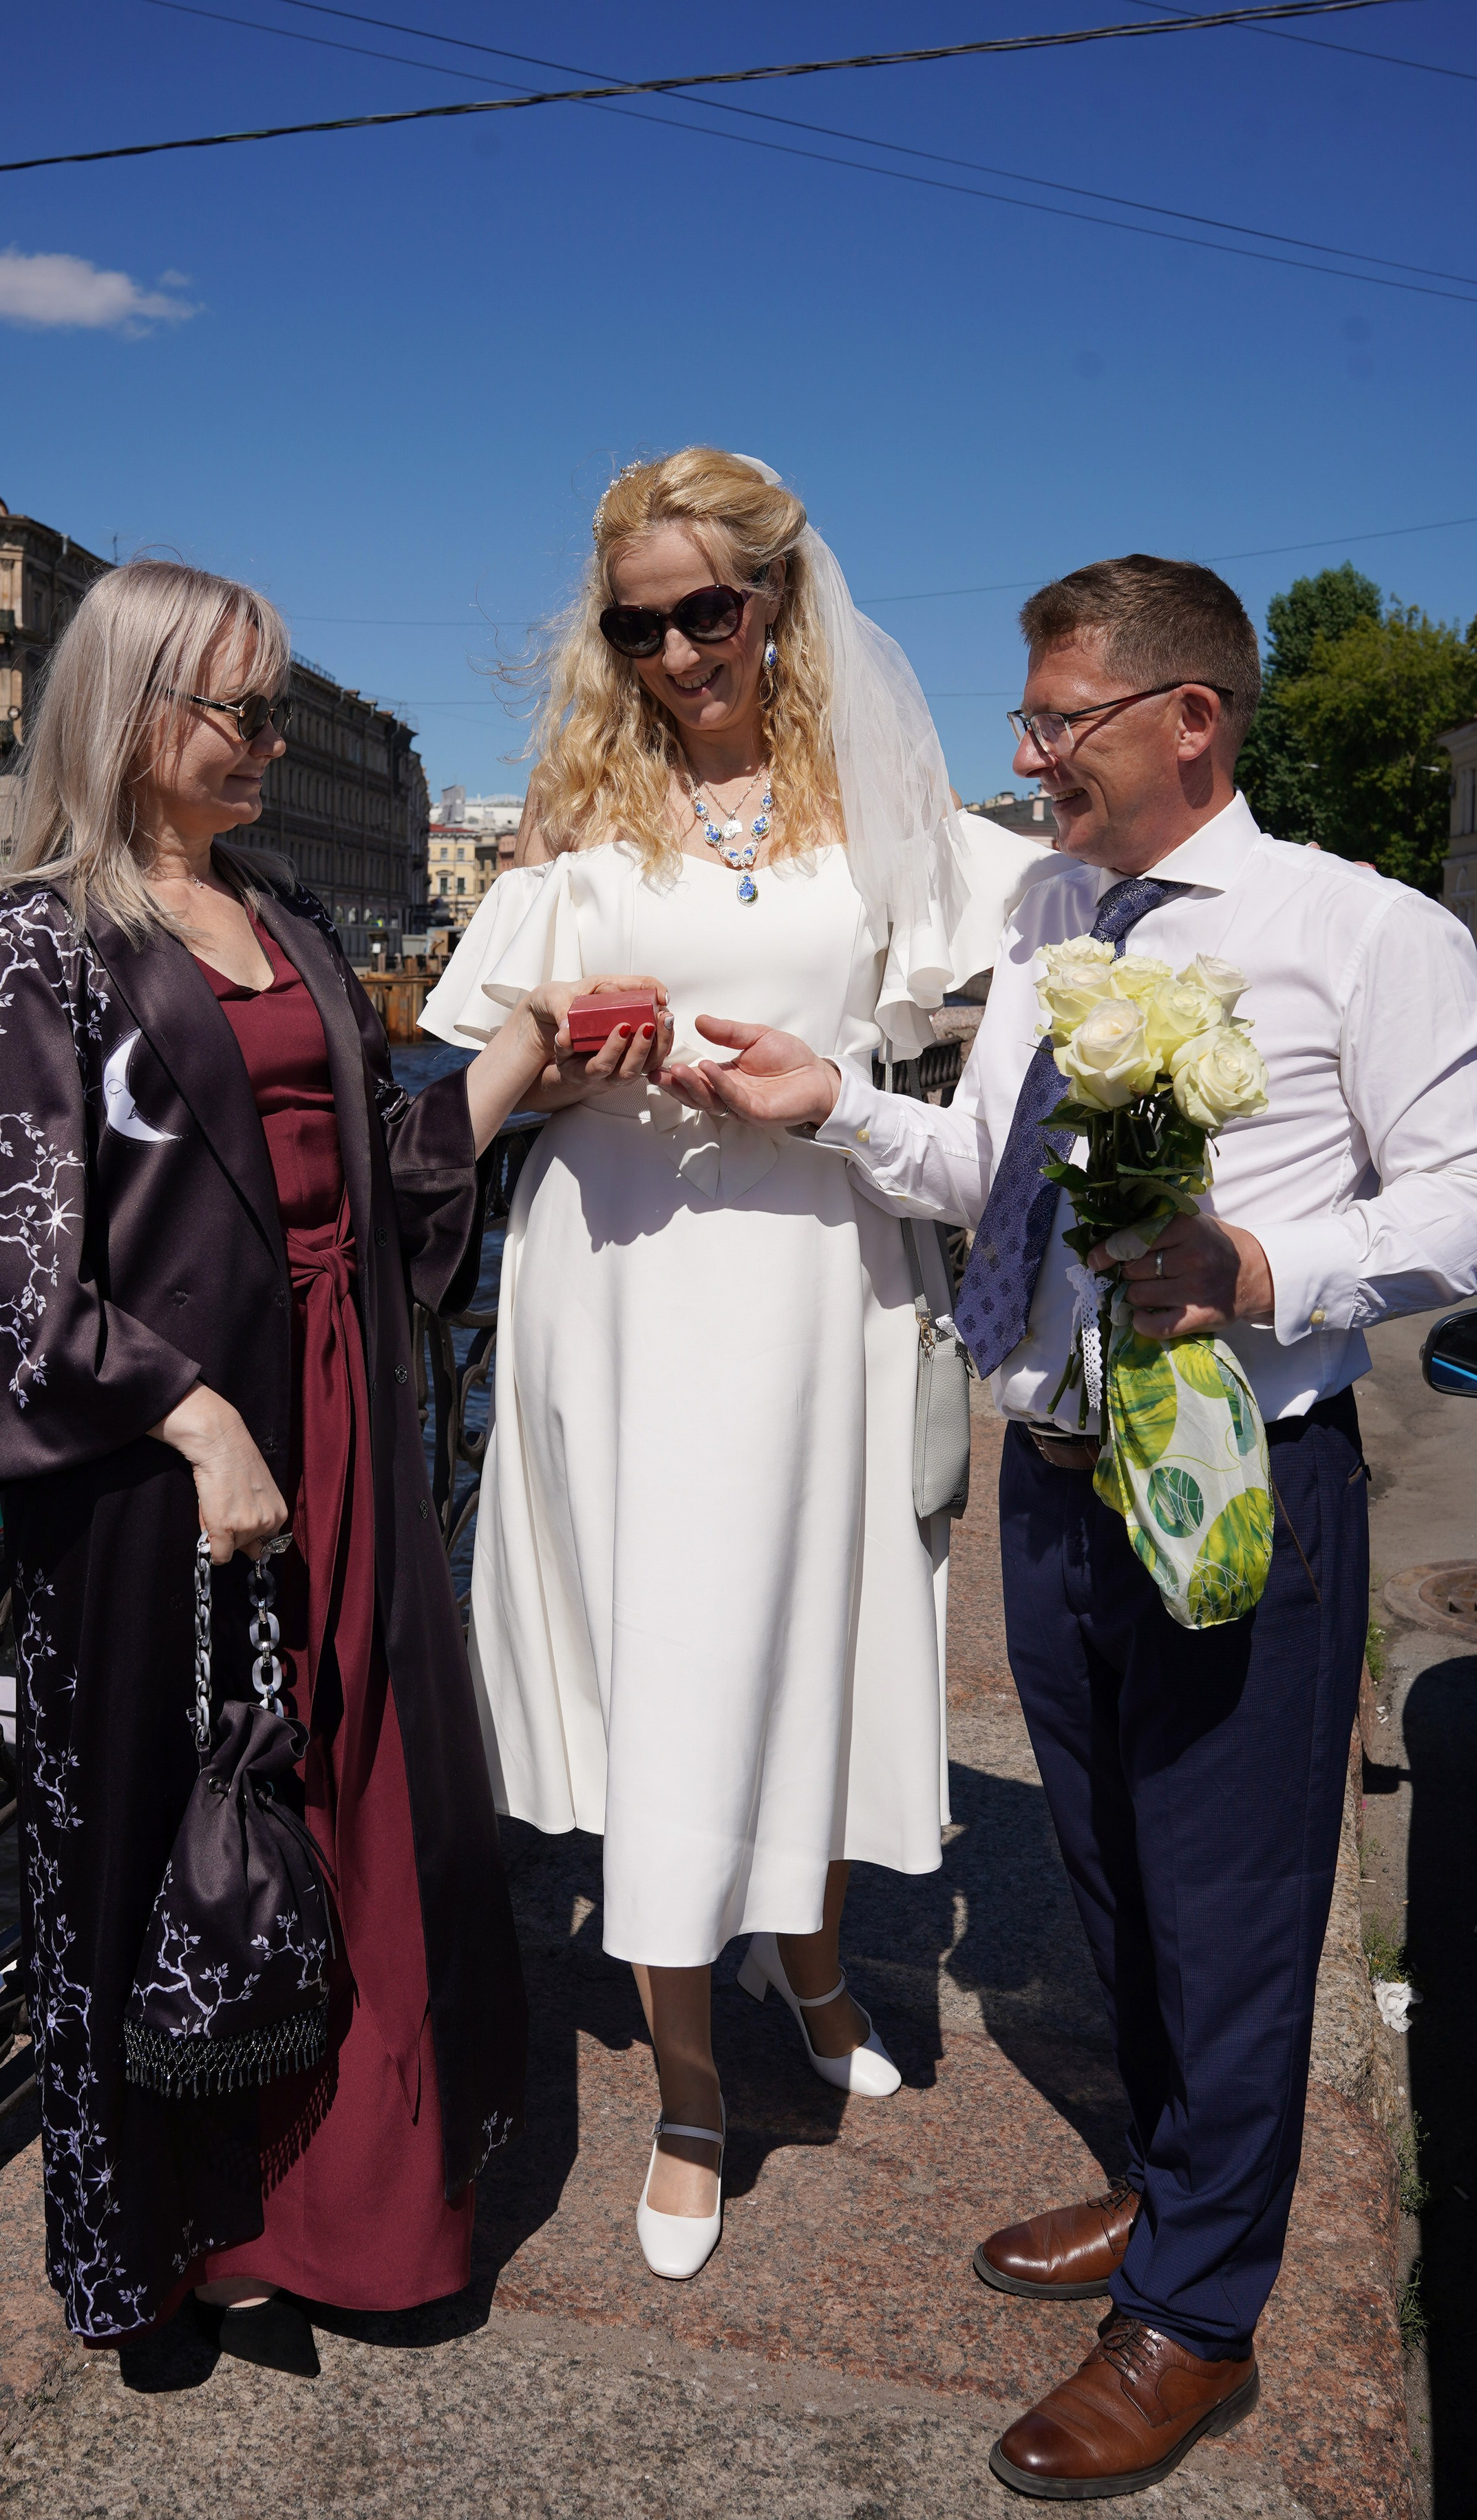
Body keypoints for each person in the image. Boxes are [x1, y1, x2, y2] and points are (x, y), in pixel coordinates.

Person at [670, 553, 1477, 2492]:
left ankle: (1200, 2316)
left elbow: (1465, 1198)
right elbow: (988, 1167)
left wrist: (1261, 1263)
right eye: (1025, 724)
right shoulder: (1050, 913)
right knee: (1115, 1876)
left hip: (1232, 1489)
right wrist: (832, 1103)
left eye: (1059, 723)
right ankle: (1173, 2182)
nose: (1029, 762)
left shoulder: (1360, 930)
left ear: (1190, 719)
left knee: (1234, 1903)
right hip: (1053, 1478)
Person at [0, 559, 661, 2360]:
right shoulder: (35, 944)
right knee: (169, 1824)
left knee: (351, 1788)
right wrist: (192, 1421)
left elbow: (377, 1172)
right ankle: (175, 2234)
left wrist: (524, 1051)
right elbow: (3, 1262)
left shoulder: (293, 915)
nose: (265, 738)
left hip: (341, 1405)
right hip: (163, 1458)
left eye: (273, 707)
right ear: (129, 715)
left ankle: (349, 2209)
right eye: (235, 709)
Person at [420, 448, 1046, 2281]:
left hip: (820, 1269)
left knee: (822, 1628)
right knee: (675, 1657)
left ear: (777, 598)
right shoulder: (575, 821)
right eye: (641, 626)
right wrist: (570, 1062)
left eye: (709, 609)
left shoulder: (883, 809)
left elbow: (1050, 948)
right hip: (626, 1274)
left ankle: (816, 1962)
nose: (681, 651)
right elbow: (488, 1079)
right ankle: (690, 2096)